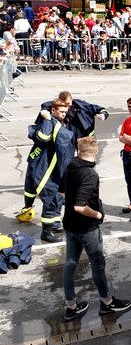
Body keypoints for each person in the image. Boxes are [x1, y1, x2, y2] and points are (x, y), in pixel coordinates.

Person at [59, 137, 131, 320]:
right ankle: (107, 303)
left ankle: (71, 306)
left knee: (70, 263)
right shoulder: (90, 174)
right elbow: (80, 206)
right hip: (87, 227)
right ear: (96, 151)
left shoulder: (71, 165)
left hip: (70, 225)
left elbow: (61, 191)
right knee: (97, 264)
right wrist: (98, 215)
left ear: (78, 150)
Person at [18, 99, 75, 243]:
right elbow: (43, 137)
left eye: (65, 111)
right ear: (53, 111)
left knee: (56, 198)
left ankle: (54, 224)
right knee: (51, 198)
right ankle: (46, 232)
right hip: (45, 168)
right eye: (61, 112)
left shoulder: (56, 122)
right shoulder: (49, 123)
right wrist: (48, 120)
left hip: (45, 165)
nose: (64, 114)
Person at [38, 91, 109, 147]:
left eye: (69, 104)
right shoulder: (57, 107)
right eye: (64, 104)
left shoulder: (82, 106)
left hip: (84, 138)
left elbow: (101, 109)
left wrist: (103, 115)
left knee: (86, 160)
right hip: (68, 139)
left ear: (72, 100)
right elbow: (45, 106)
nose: (67, 107)